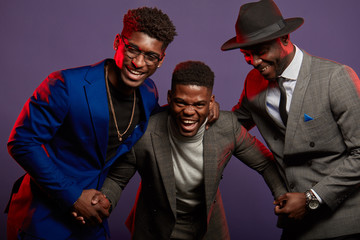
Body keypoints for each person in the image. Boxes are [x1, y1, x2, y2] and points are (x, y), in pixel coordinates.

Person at [6, 7, 177, 240]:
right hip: (42, 221)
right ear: (118, 42)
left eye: (150, 56)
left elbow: (157, 124)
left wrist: (201, 108)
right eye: (132, 49)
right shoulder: (65, 84)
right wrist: (74, 197)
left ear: (161, 59)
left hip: (93, 223)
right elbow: (22, 143)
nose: (138, 63)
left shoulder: (148, 93)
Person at [80, 60, 287, 239]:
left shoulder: (227, 127)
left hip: (208, 227)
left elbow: (264, 162)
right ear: (169, 98)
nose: (189, 112)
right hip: (154, 229)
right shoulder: (146, 131)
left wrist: (281, 195)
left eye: (199, 105)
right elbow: (118, 178)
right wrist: (104, 199)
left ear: (211, 102)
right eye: (181, 103)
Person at [221, 0, 360, 239]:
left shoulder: (335, 78)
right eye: (247, 54)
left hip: (345, 222)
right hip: (295, 223)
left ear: (284, 39)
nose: (254, 62)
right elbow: (234, 124)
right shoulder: (253, 83)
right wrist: (205, 110)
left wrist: (311, 199)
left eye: (261, 51)